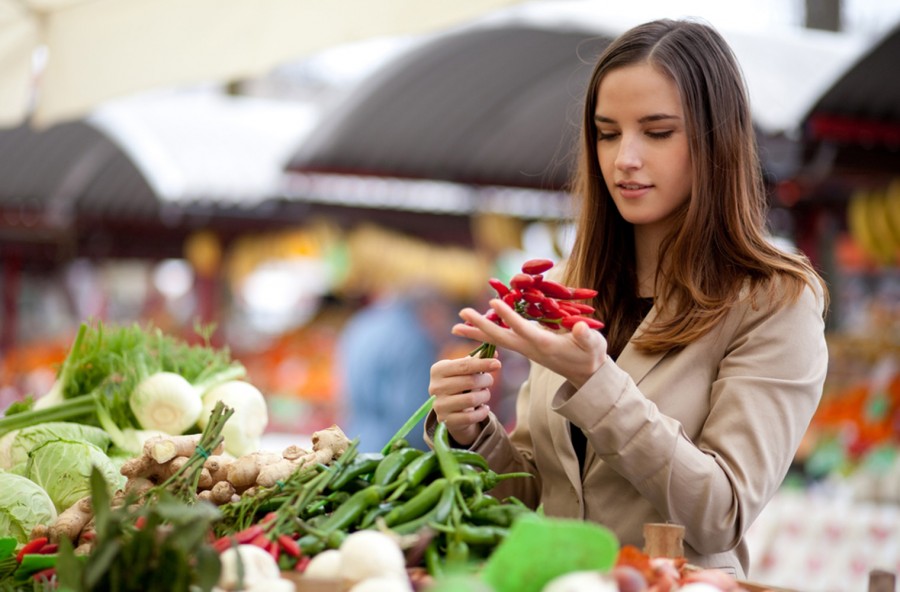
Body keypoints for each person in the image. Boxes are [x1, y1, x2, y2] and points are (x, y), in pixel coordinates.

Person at [425, 19, 828, 578]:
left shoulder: (774, 301)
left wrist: (598, 385)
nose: (623, 159)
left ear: (717, 141)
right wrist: (472, 432)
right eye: (607, 133)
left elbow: (721, 513)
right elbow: (533, 495)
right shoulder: (566, 285)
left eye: (657, 132)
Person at [337, 285, 455, 452]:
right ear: (430, 308)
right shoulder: (413, 339)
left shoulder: (360, 324)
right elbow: (413, 418)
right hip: (392, 457)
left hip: (355, 444)